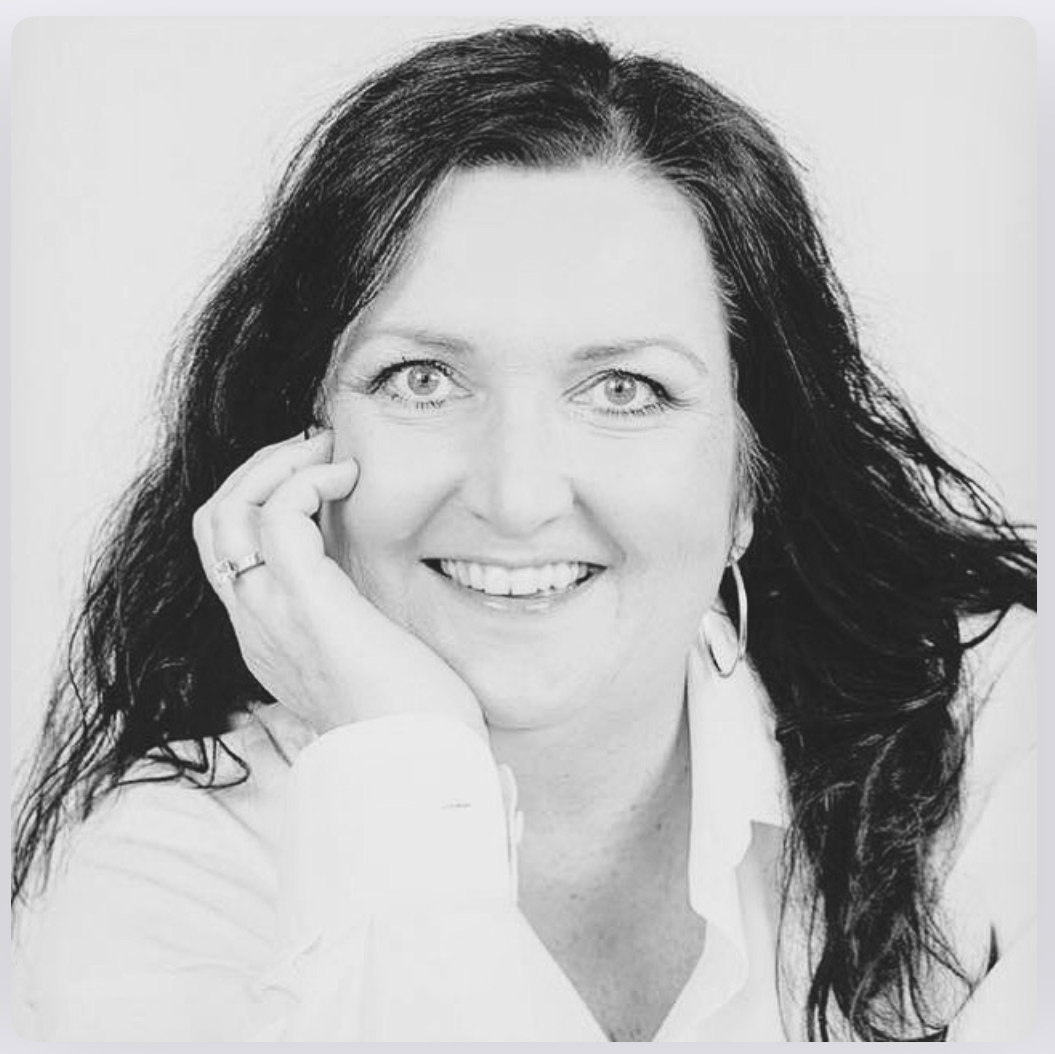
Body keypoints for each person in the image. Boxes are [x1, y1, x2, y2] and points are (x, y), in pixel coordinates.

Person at [12, 25, 1036, 1042]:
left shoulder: (1003, 735)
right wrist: (407, 761)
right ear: (294, 451)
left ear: (748, 480)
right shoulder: (161, 884)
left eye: (625, 388)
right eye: (421, 380)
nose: (515, 496)